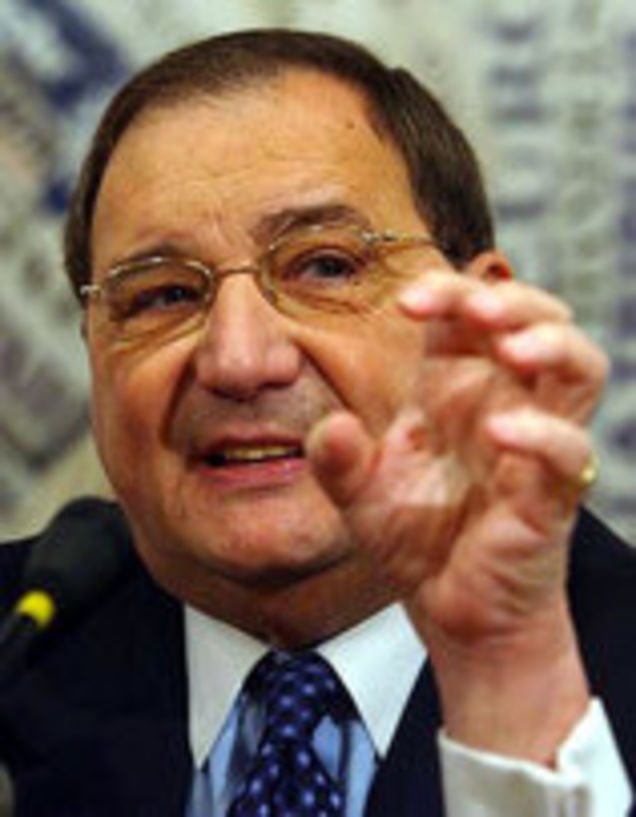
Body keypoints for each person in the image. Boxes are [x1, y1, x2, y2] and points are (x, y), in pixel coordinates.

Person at [1, 27, 635, 817]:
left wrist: (506, 680)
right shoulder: (20, 651)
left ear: (478, 321)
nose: (238, 360)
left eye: (325, 266)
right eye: (163, 295)